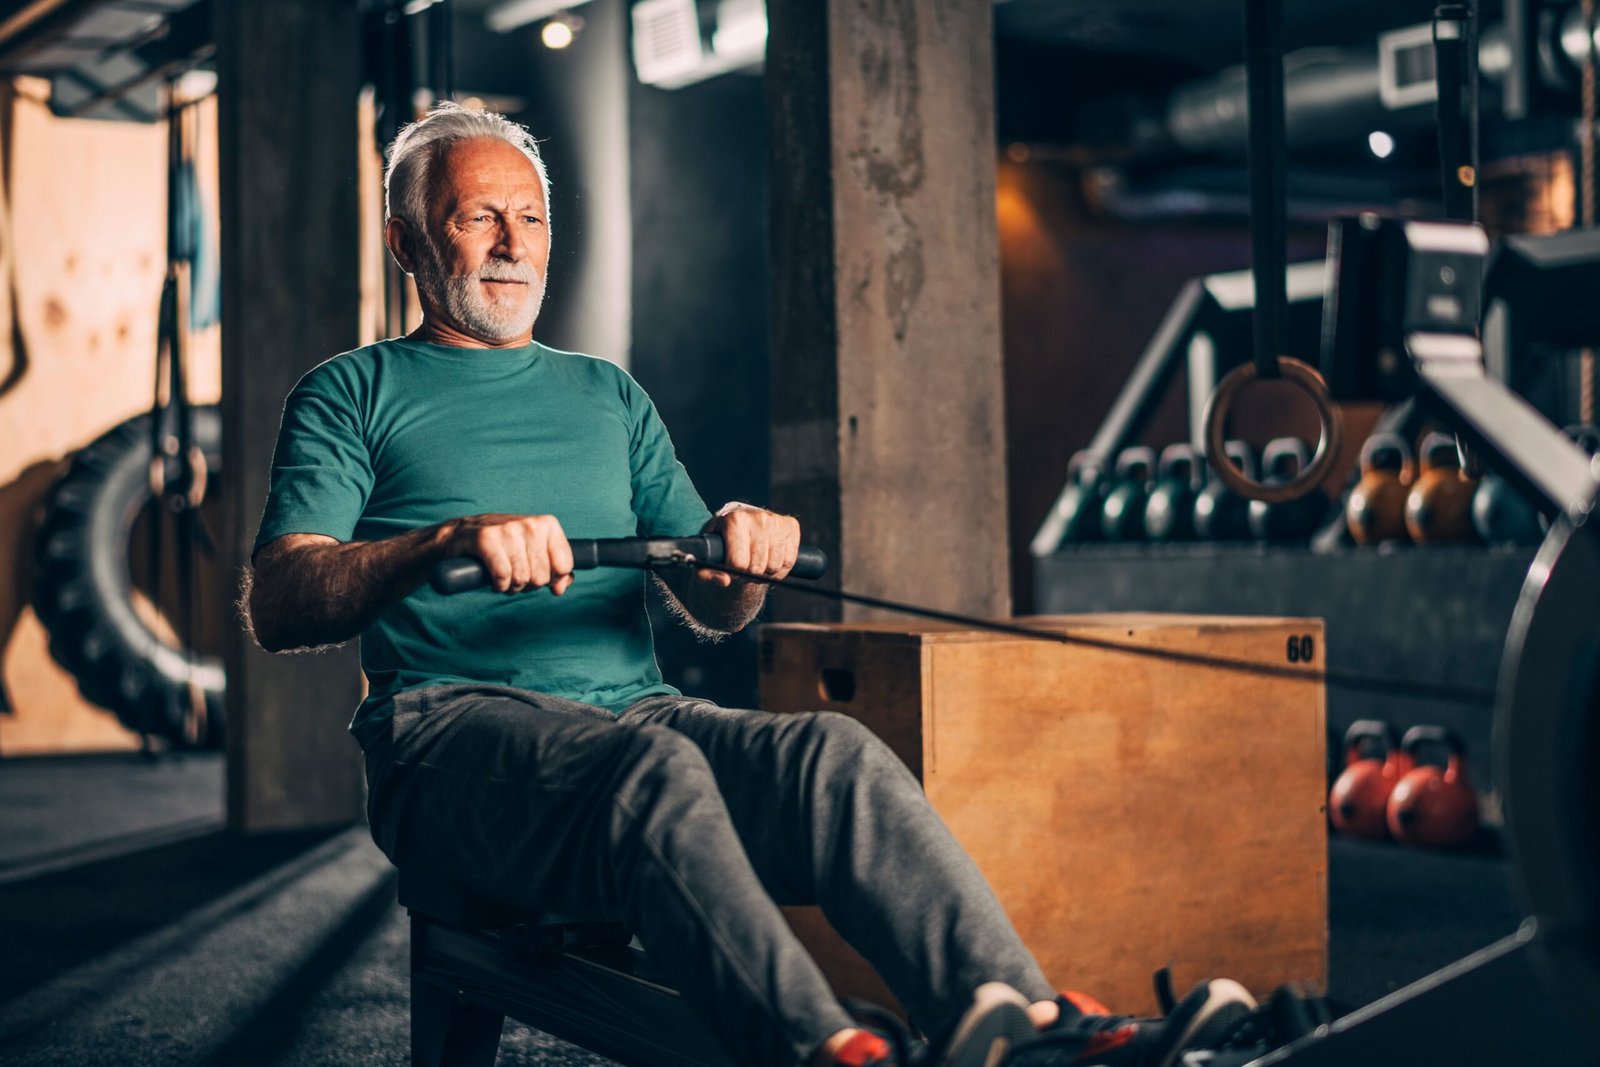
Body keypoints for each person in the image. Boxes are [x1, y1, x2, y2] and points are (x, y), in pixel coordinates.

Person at [243, 101, 1256, 1067]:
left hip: (635, 716)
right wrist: (440, 542)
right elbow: (283, 601)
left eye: (531, 217)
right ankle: (826, 1047)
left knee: (834, 755)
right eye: (479, 217)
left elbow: (712, 598)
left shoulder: (607, 394)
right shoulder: (352, 391)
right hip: (445, 735)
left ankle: (1032, 1026)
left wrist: (740, 550)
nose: (512, 243)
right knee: (653, 774)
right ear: (409, 239)